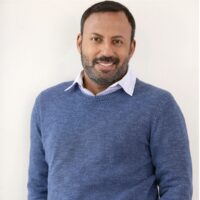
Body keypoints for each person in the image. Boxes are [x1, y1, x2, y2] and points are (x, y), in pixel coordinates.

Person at [27, 1, 193, 200]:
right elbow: (38, 187)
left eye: (117, 41)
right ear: (80, 42)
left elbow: (177, 187)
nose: (106, 51)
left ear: (131, 47)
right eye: (96, 39)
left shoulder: (159, 106)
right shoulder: (47, 104)